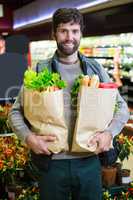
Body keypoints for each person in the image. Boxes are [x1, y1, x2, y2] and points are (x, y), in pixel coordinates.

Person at [8, 8, 129, 200]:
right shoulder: (41, 69)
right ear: (54, 33)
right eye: (63, 30)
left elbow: (122, 108)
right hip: (52, 164)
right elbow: (14, 113)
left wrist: (109, 133)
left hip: (89, 160)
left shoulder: (95, 68)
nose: (69, 37)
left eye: (74, 31)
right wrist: (29, 139)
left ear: (81, 33)